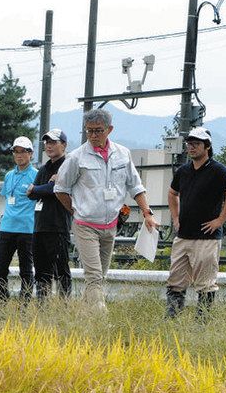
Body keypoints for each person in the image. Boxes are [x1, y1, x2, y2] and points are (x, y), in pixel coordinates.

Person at [53, 108, 159, 309]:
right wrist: (74, 211)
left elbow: (135, 186)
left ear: (109, 129)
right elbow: (60, 189)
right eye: (89, 131)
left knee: (100, 275)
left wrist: (147, 212)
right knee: (93, 275)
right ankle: (101, 318)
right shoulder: (76, 157)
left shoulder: (122, 154)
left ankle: (84, 318)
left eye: (98, 130)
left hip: (110, 224)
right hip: (85, 224)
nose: (93, 135)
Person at [166, 126, 226, 319]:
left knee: (205, 283)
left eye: (196, 144)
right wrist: (175, 218)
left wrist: (220, 220)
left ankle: (202, 321)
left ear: (207, 146)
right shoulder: (183, 170)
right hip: (183, 235)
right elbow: (172, 193)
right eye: (189, 144)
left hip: (207, 237)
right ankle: (172, 317)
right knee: (175, 280)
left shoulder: (217, 170)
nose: (191, 147)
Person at [28, 129, 72, 299]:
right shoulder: (44, 168)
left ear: (64, 145)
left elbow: (57, 188)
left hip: (58, 225)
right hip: (39, 226)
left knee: (61, 268)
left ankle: (64, 305)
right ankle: (42, 304)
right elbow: (31, 193)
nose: (49, 146)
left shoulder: (67, 165)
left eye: (53, 142)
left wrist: (42, 188)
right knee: (41, 270)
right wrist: (45, 187)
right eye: (47, 142)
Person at [0, 136, 38, 302]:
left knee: (25, 269)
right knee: (0, 269)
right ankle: (2, 301)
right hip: (7, 227)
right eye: (16, 152)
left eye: (23, 152)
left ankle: (24, 304)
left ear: (30, 154)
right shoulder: (9, 175)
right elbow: (7, 197)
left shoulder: (36, 174)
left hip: (27, 228)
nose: (19, 155)